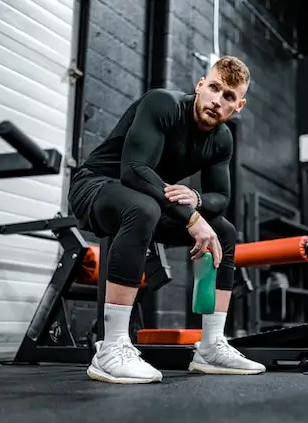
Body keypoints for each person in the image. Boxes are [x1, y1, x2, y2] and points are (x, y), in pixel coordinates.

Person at [68, 55, 266, 384]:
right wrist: (191, 218)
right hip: (97, 186)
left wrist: (198, 200)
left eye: (228, 96)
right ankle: (111, 348)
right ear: (200, 85)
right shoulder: (163, 104)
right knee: (143, 209)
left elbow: (221, 198)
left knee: (225, 232)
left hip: (151, 199)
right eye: (214, 88)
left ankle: (211, 346)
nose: (218, 100)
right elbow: (133, 171)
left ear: (238, 105)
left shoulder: (222, 139)